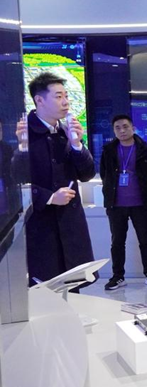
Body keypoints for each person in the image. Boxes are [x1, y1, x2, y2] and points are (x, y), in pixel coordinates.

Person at [16, 72, 96, 285]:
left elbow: (87, 174)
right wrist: (50, 197)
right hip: (41, 226)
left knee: (73, 284)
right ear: (39, 100)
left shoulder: (65, 131)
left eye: (66, 96)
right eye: (59, 96)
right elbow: (16, 181)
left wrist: (77, 145)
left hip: (71, 222)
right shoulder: (24, 132)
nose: (66, 102)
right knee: (45, 288)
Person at [100, 114, 147, 290]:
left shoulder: (146, 150)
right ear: (114, 131)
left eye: (125, 126)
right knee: (117, 242)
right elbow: (104, 174)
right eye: (117, 128)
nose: (122, 130)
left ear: (133, 128)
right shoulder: (108, 150)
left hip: (140, 203)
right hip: (116, 204)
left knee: (145, 240)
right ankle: (118, 276)